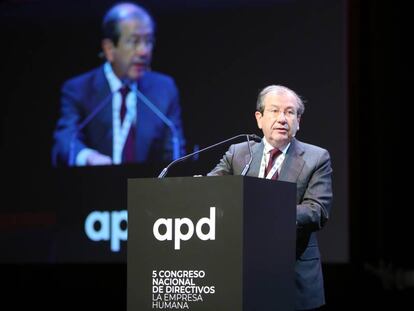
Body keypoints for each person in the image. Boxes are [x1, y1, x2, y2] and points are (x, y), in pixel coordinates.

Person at [208, 85, 333, 310]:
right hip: (240, 273)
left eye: (290, 112)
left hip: (293, 273)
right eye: (274, 111)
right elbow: (210, 189)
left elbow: (317, 210)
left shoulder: (317, 158)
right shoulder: (238, 153)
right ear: (260, 118)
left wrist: (269, 214)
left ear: (298, 121)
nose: (282, 119)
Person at [52, 2, 186, 166]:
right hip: (94, 185)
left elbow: (173, 151)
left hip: (144, 188)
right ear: (109, 49)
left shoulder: (164, 89)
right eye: (134, 41)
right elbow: (66, 140)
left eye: (148, 41)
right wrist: (89, 157)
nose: (143, 51)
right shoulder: (79, 89)